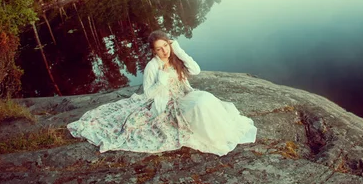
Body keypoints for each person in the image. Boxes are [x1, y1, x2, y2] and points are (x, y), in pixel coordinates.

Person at [67, 30, 257, 156]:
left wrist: (179, 50)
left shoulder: (175, 57)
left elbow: (196, 70)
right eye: (159, 49)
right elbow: (149, 94)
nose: (164, 51)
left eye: (166, 46)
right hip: (167, 105)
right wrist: (161, 81)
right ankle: (212, 136)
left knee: (207, 99)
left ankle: (220, 132)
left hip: (183, 96)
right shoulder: (152, 67)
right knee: (201, 104)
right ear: (153, 51)